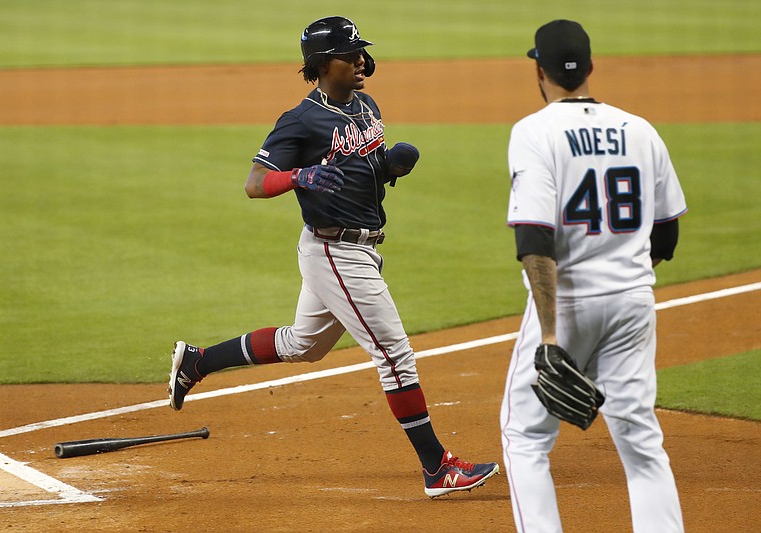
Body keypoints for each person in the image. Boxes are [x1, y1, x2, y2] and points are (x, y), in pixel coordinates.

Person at [168, 16, 498, 498]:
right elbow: (255, 184)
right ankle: (437, 467)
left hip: (360, 246)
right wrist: (297, 177)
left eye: (362, 51)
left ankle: (197, 362)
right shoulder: (300, 120)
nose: (362, 60)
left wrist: (388, 168)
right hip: (336, 251)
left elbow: (362, 170)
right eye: (351, 54)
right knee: (395, 355)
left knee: (305, 345)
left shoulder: (366, 104)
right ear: (324, 64)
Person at [500, 19, 686, 532]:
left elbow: (534, 239)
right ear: (589, 67)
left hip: (569, 305)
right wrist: (623, 272)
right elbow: (667, 234)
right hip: (632, 301)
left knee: (526, 439)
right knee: (642, 443)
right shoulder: (640, 129)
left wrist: (552, 332)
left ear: (538, 69)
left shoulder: (533, 131)